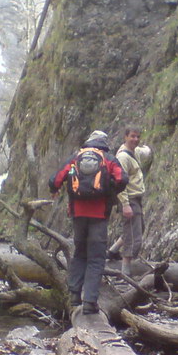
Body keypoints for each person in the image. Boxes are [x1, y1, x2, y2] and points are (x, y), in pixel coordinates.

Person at [50, 130, 127, 315]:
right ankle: (90, 301)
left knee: (80, 253)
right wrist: (110, 190)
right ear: (104, 143)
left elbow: (55, 179)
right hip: (99, 215)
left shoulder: (76, 157)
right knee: (96, 258)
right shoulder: (108, 158)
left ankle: (74, 295)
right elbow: (122, 179)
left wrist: (55, 189)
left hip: (78, 213)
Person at [113, 127, 152, 275]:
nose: (135, 139)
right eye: (132, 137)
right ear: (125, 137)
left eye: (138, 137)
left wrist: (147, 147)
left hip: (136, 198)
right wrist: (125, 204)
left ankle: (112, 251)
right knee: (133, 235)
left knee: (138, 228)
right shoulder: (123, 157)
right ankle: (125, 272)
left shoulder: (134, 151)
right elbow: (119, 182)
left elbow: (145, 151)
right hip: (129, 198)